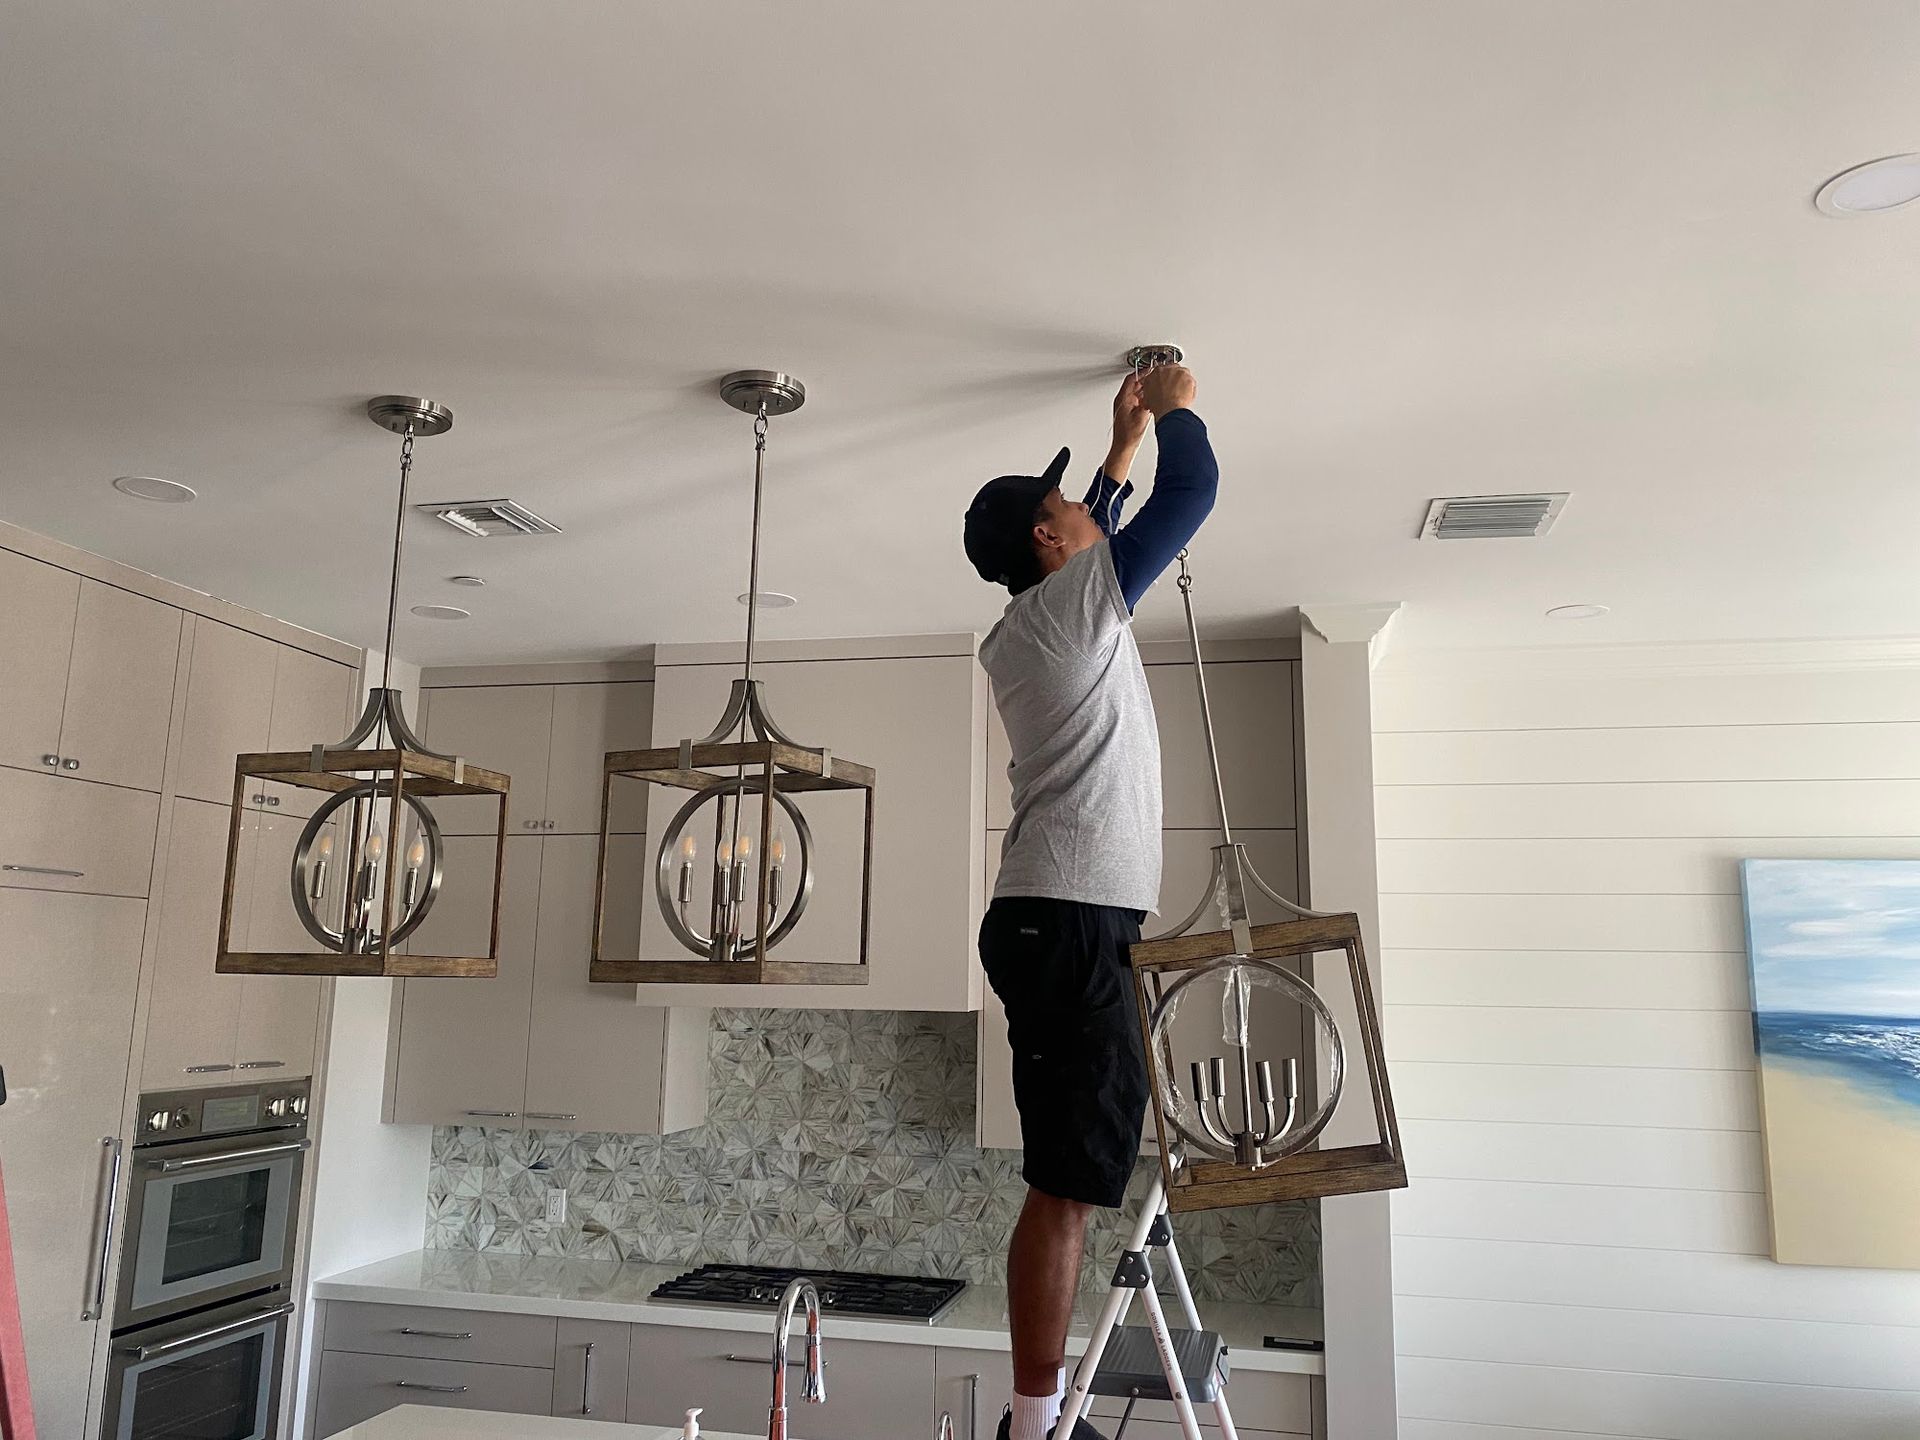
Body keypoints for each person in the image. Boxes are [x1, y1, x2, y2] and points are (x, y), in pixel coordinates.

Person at [962, 364, 1218, 1440]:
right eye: (1062, 505)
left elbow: (1104, 516)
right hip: (1069, 917)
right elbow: (1188, 497)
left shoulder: (1037, 620)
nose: (1082, 508)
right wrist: (1174, 407)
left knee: (1072, 1175)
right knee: (1068, 1187)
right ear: (1046, 545)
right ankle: (1032, 1424)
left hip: (1060, 913)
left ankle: (1034, 1408)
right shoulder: (1068, 612)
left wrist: (1115, 444)